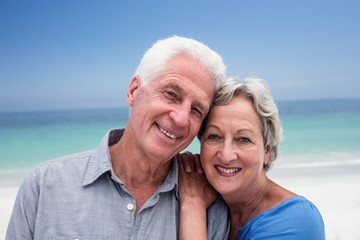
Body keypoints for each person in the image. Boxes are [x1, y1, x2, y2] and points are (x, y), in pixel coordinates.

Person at [6, 36, 230, 239]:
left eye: (196, 110)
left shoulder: (210, 209)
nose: (181, 118)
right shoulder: (44, 186)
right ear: (133, 91)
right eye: (171, 94)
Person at [178, 77, 325, 240]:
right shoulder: (216, 202)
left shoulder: (297, 220)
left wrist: (193, 204)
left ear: (268, 151)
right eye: (214, 136)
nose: (226, 155)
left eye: (243, 139)